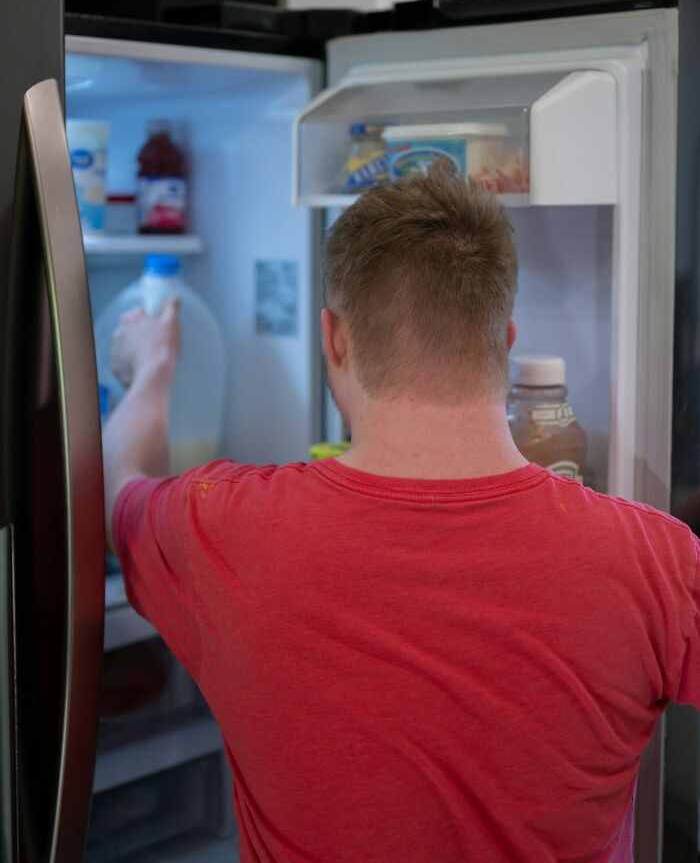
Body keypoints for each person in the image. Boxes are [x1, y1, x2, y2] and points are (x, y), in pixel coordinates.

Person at [104, 161, 700, 863]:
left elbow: (117, 481)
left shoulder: (219, 528)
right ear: (504, 341)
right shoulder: (657, 559)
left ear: (334, 339)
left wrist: (154, 366)